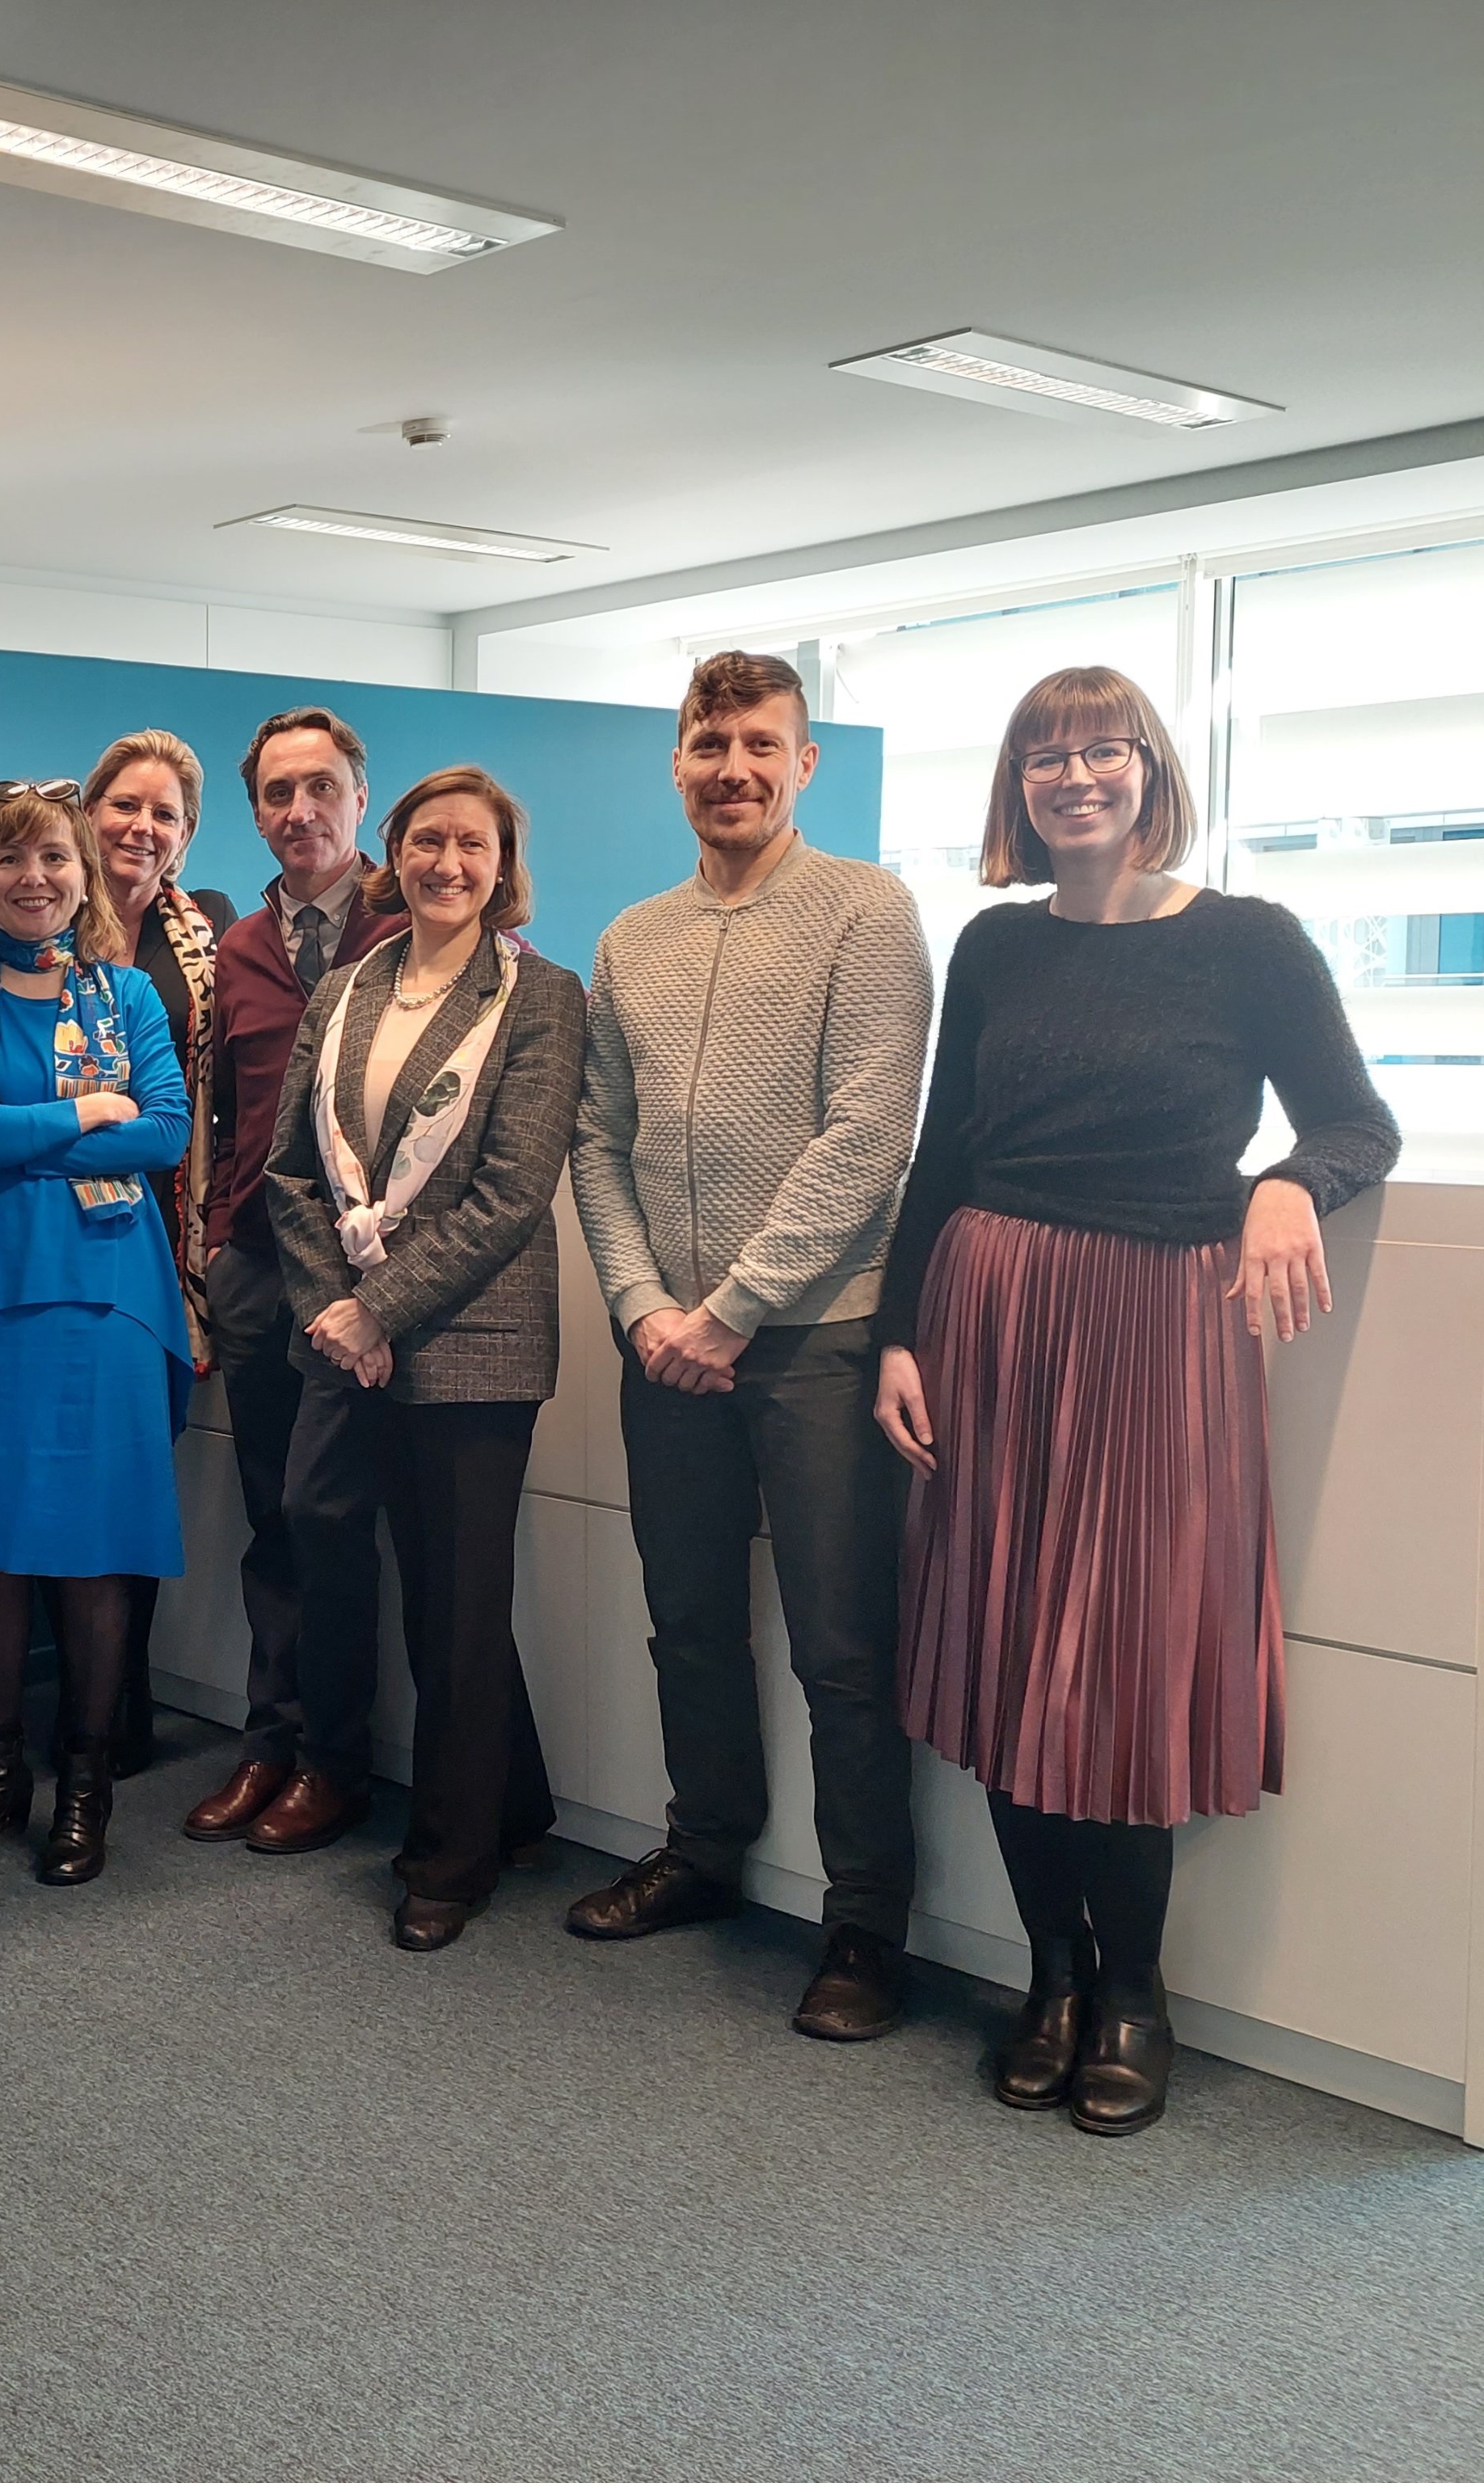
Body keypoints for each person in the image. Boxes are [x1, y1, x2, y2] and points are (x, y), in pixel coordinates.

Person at [875, 668, 1395, 2134]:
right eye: (1045, 755)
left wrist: (1293, 1183)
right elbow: (945, 1153)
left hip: (1162, 1328)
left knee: (1120, 1659)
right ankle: (1049, 1973)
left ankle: (1136, 1991)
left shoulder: (1250, 940)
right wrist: (901, 1334)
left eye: (1103, 749)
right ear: (1016, 788)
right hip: (992, 1309)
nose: (1075, 774)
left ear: (1151, 771)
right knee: (1000, 1637)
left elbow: (1360, 1119)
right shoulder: (994, 946)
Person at [567, 650, 933, 2042]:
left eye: (759, 743)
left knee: (844, 1648)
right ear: (676, 760)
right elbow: (600, 1144)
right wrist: (646, 1303)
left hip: (817, 1343)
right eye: (709, 742)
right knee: (692, 1624)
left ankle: (862, 1925)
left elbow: (869, 1134)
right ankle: (706, 1854)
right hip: (665, 1345)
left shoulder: (866, 912)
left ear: (804, 761)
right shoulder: (631, 938)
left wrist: (732, 1309)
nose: (732, 766)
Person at [262, 766, 586, 1950]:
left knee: (456, 1600)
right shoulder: (347, 988)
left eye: (476, 846)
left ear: (504, 867)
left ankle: (451, 1858)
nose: (451, 864)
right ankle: (521, 1800)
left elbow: (510, 1192)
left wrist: (380, 1310)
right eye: (430, 841)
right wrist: (335, 1310)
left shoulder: (542, 998)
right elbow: (292, 1169)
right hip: (353, 1338)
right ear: (392, 854)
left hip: (474, 1337)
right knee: (371, 1547)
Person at [0, 780, 193, 1886]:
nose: (36, 880)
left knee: (93, 1550)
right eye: (10, 861)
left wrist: (11, 1130)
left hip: (107, 1297)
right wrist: (84, 1114)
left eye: (56, 861)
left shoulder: (127, 1001)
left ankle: (86, 1782)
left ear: (84, 877)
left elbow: (162, 1135)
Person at [179, 708, 402, 1847]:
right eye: (276, 794)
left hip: (369, 1287)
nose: (299, 812)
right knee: (272, 1516)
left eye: (321, 789)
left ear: (362, 799)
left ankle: (336, 1759)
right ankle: (268, 1744)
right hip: (262, 1267)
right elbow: (223, 1109)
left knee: (332, 1519)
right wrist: (219, 1242)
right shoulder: (242, 948)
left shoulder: (414, 924)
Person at [86, 727, 235, 1777]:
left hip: (171, 1250)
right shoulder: (37, 922)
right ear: (89, 813)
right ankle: (77, 1696)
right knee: (71, 1472)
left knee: (138, 1470)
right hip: (66, 1241)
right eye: (125, 806)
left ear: (185, 838)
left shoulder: (210, 934)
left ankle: (120, 1693)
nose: (143, 828)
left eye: (166, 815)